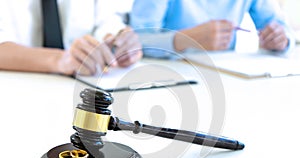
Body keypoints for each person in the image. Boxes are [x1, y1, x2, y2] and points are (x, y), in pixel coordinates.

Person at [0, 0, 142, 76]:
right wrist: (60, 60)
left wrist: (118, 40)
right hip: (18, 86)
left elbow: (107, 19)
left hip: (81, 84)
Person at [130, 0, 295, 58]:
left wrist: (282, 39)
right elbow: (135, 40)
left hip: (226, 76)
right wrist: (182, 39)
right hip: (169, 77)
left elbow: (280, 27)